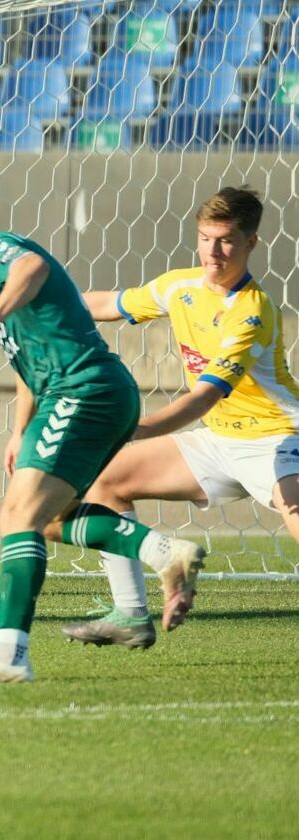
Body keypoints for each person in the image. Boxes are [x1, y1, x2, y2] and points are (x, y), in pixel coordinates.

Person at [0, 186, 205, 685]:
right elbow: (27, 358)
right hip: (83, 393)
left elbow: (33, 267)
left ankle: (11, 655)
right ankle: (164, 553)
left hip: (83, 390)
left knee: (17, 515)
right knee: (51, 520)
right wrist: (19, 430)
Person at [62, 186, 299, 648]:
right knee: (105, 483)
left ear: (251, 242)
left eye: (226, 240)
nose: (213, 251)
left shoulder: (251, 312)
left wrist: (132, 429)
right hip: (218, 441)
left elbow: (202, 399)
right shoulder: (179, 285)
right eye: (206, 238)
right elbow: (109, 305)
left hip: (278, 436)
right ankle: (130, 615)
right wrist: (37, 303)